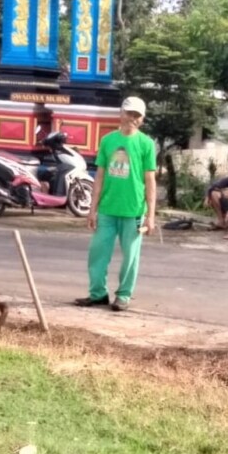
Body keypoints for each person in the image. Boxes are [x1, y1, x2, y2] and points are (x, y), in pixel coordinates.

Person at [75, 96, 157, 312]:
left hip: (134, 211)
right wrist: (92, 210)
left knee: (130, 256)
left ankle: (123, 295)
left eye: (136, 115)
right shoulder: (108, 141)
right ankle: (97, 294)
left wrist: (151, 215)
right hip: (107, 209)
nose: (131, 118)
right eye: (128, 113)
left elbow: (150, 180)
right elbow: (99, 176)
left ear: (142, 119)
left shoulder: (146, 144)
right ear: (120, 113)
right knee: (98, 252)